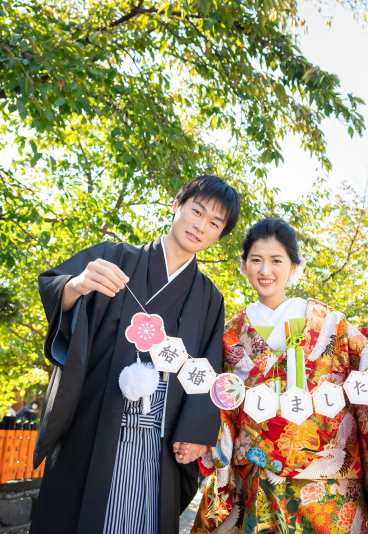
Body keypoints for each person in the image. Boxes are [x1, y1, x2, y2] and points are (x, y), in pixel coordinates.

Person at [190, 218, 368, 534]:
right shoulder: (230, 334)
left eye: (277, 260)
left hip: (333, 484)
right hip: (261, 481)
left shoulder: (330, 322)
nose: (265, 270)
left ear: (294, 266)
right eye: (256, 260)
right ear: (243, 264)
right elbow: (217, 401)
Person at [31, 176, 241, 534]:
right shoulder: (113, 257)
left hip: (159, 437)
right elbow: (54, 286)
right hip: (95, 421)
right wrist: (78, 285)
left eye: (214, 224)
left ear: (219, 235)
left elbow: (206, 368)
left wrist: (194, 432)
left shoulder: (209, 297)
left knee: (143, 520)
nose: (201, 226)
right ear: (176, 205)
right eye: (197, 211)